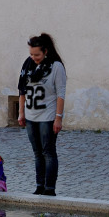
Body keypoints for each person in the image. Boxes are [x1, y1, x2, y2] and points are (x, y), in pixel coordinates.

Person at [17, 33, 66, 195]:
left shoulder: (56, 66)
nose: (33, 57)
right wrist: (21, 112)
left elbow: (60, 94)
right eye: (31, 54)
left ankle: (49, 188)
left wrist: (58, 118)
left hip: (47, 117)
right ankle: (39, 186)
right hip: (31, 116)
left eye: (37, 54)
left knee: (48, 152)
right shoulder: (28, 65)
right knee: (37, 153)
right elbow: (22, 90)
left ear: (46, 51)